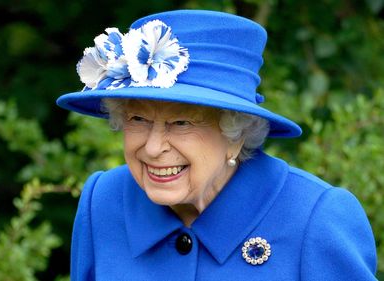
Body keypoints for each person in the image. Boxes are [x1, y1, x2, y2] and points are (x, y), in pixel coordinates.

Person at [57, 10, 377, 281]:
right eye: (138, 118)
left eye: (181, 123)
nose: (153, 148)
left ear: (235, 134)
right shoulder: (104, 201)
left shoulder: (316, 218)